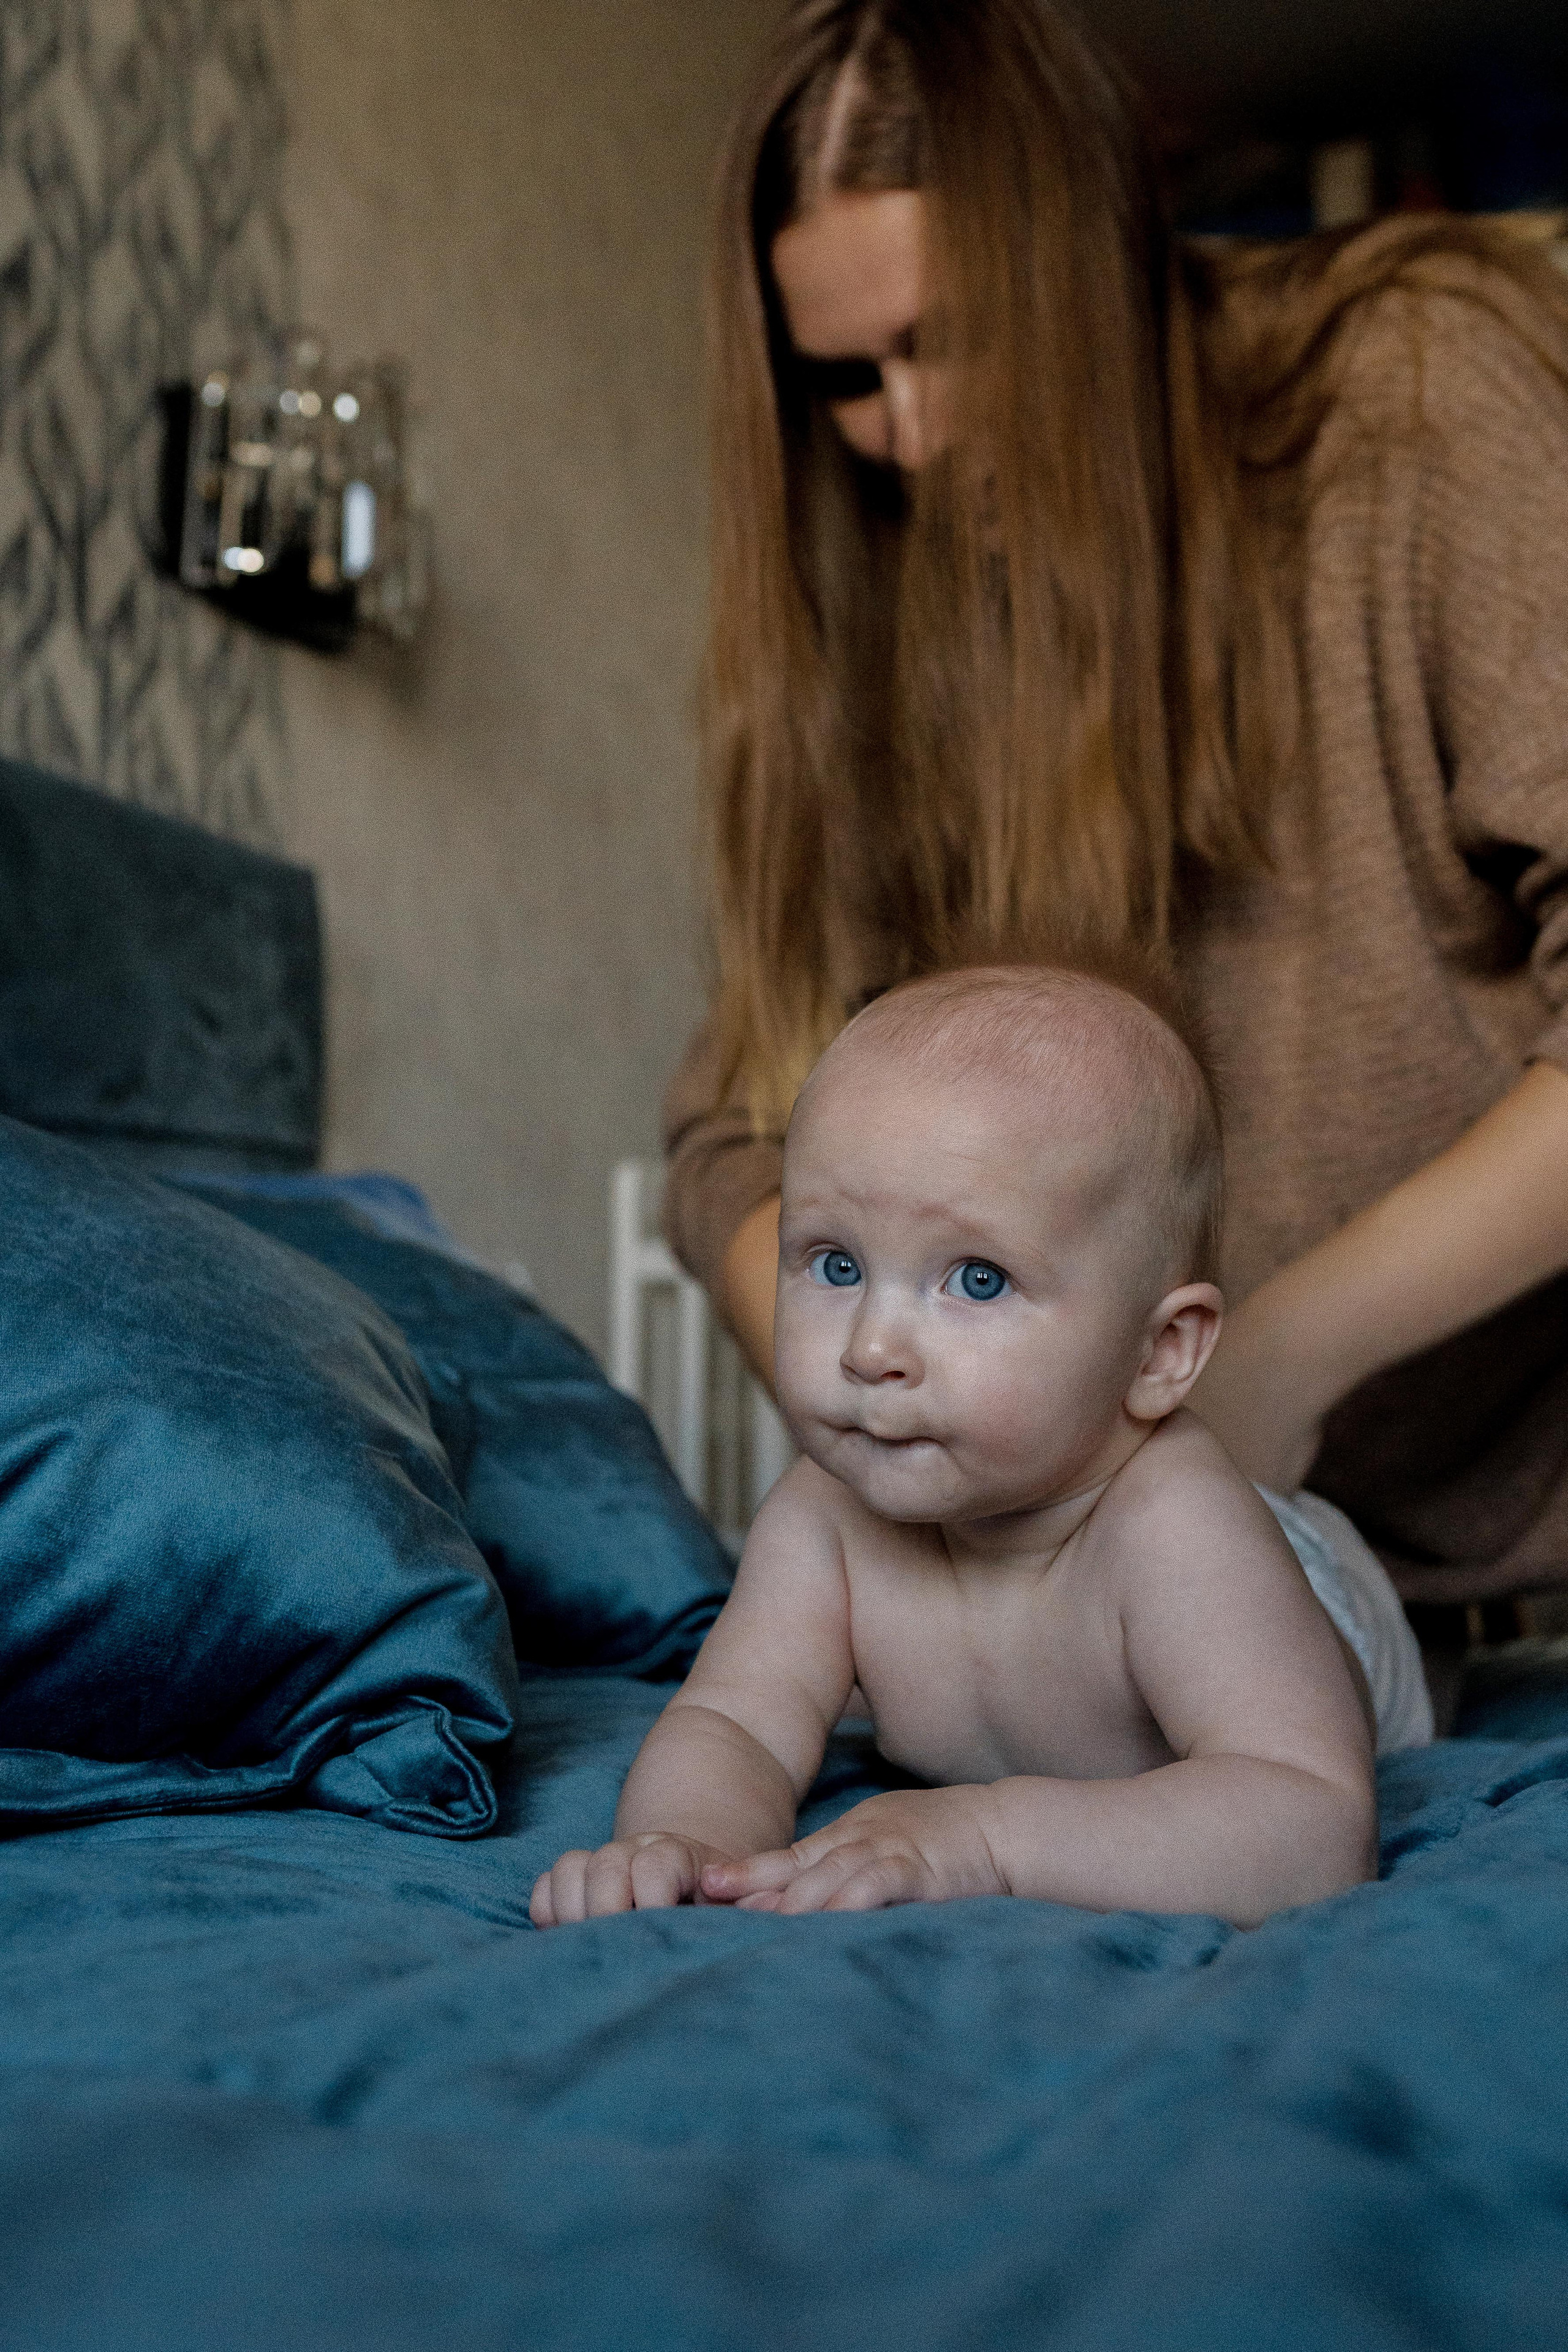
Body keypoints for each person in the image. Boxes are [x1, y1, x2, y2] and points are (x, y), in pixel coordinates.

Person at [662, 0, 1568, 1617]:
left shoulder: (1422, 386)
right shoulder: (895, 606)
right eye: (848, 380)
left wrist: (1275, 1364)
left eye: (953, 339)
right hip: (1177, 1580)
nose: (917, 441)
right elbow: (730, 1138)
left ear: (1104, 257)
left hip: (1503, 1568)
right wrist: (867, 1380)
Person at [534, 966, 1412, 1932]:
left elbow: (1316, 1829)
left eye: (980, 1281)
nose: (871, 1349)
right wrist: (686, 1841)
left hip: (1317, 1583)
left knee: (1364, 1688)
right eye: (835, 1264)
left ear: (1160, 1354)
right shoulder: (825, 1516)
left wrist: (985, 1838)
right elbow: (735, 1721)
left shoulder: (1175, 1527)